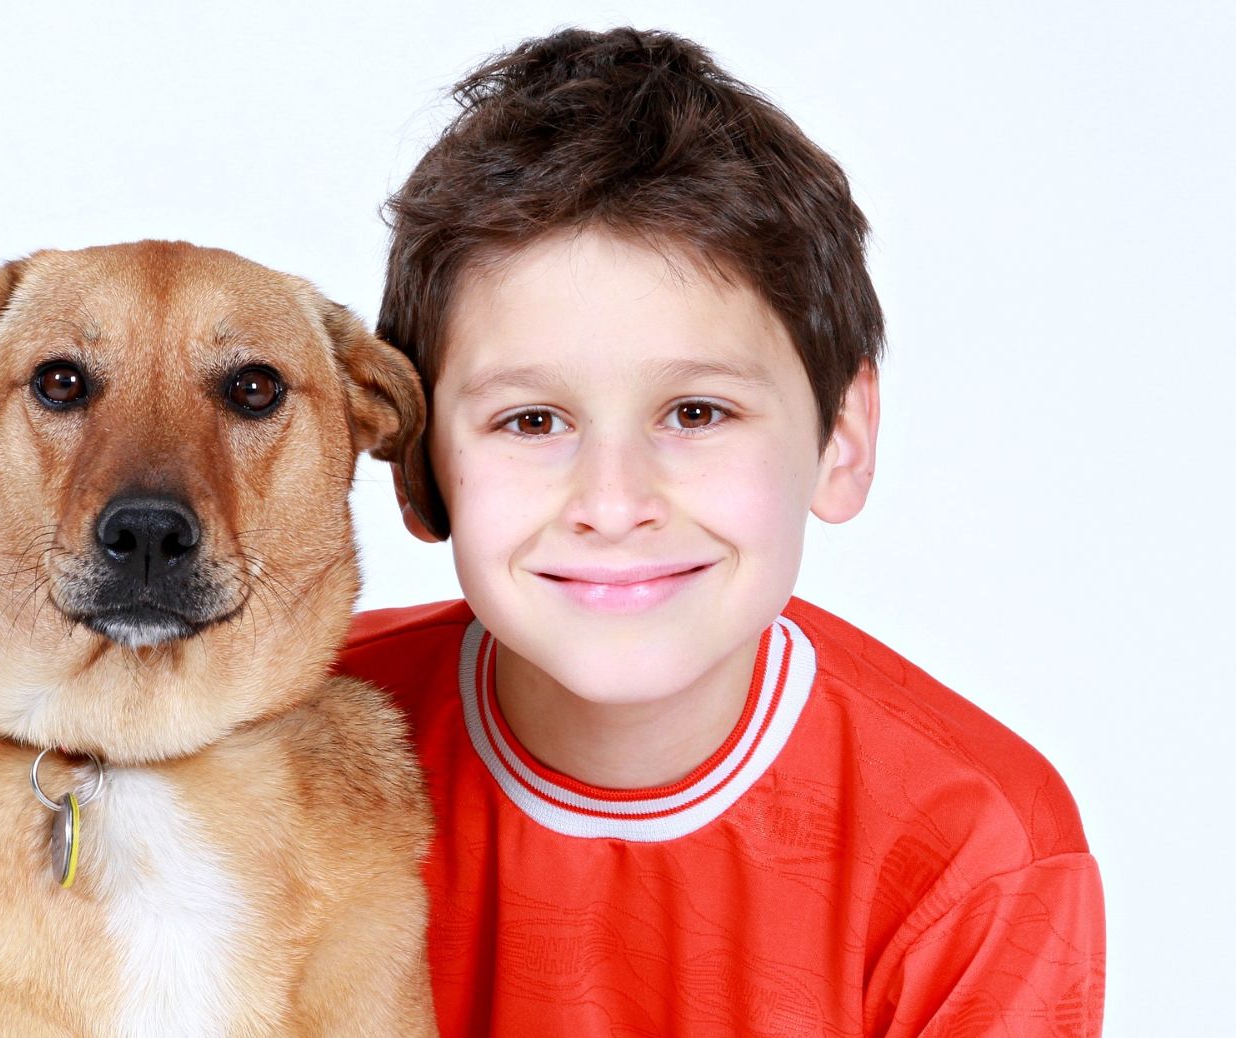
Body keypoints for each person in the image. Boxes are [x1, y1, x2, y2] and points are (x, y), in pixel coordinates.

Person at [336, 26, 1105, 1037]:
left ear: (840, 437)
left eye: (695, 413)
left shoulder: (976, 847)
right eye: (532, 420)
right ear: (417, 462)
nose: (613, 503)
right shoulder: (288, 740)